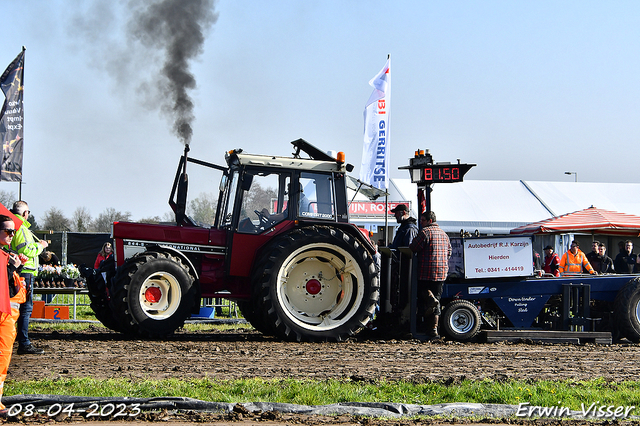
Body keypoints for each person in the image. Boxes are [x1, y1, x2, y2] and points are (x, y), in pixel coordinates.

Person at [10, 200, 47, 355]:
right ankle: (24, 343)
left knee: (16, 308)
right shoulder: (22, 229)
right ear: (25, 213)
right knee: (25, 308)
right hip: (25, 272)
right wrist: (41, 246)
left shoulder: (11, 226)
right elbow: (28, 250)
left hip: (17, 270)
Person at [409, 211, 452, 340]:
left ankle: (428, 297)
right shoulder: (444, 234)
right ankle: (433, 329)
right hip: (441, 272)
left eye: (422, 220)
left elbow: (413, 247)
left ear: (429, 221)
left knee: (422, 298)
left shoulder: (425, 233)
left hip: (425, 271)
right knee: (437, 301)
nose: (420, 223)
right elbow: (449, 252)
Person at [0, 214, 26, 413]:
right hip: (3, 315)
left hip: (7, 316)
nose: (11, 235)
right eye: (8, 231)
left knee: (3, 359)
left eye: (13, 232)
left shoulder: (5, 255)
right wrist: (12, 267)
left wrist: (17, 267)